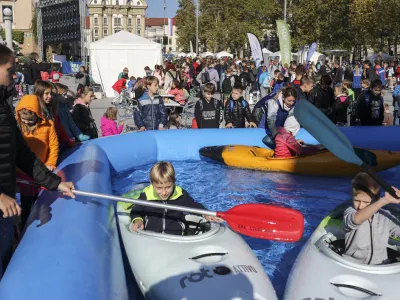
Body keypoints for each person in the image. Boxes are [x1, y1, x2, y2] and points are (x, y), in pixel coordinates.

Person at [0, 44, 74, 277]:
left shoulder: (3, 106)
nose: (15, 75)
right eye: (10, 70)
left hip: (6, 204)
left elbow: (23, 154)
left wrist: (54, 182)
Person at [129, 162, 222, 234]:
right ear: (152, 184)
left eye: (168, 187)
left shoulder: (180, 194)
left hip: (176, 236)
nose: (164, 192)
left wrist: (205, 214)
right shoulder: (146, 196)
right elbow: (136, 210)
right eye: (159, 188)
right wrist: (138, 220)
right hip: (152, 234)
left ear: (174, 182)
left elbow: (194, 205)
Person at [15, 95, 59, 227]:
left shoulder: (48, 125)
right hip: (22, 172)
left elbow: (53, 146)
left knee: (42, 199)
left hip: (41, 168)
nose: (27, 122)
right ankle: (25, 226)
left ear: (38, 114)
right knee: (26, 201)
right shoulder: (18, 129)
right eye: (24, 119)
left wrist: (51, 163)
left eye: (30, 120)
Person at [343, 172, 400, 265]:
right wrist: (385, 200)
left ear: (375, 200)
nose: (360, 206)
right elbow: (356, 220)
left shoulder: (385, 217)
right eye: (357, 200)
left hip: (381, 267)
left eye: (366, 202)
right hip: (353, 265)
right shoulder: (350, 212)